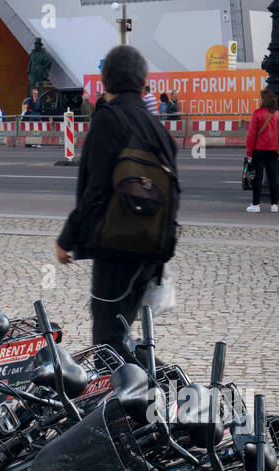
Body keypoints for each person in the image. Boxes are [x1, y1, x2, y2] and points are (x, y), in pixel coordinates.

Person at [56, 44, 178, 359]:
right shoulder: (157, 128)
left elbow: (94, 189)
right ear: (142, 82)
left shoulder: (108, 119)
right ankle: (143, 391)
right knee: (124, 333)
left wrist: (67, 238)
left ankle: (135, 398)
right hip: (151, 250)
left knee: (107, 340)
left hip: (116, 247)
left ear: (105, 81)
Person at [244, 89, 279, 213]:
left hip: (259, 150)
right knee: (273, 178)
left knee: (258, 178)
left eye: (260, 98)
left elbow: (251, 135)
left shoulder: (257, 113)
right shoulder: (278, 114)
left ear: (263, 100)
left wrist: (249, 152)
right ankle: (274, 205)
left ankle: (256, 204)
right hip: (273, 150)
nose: (258, 100)